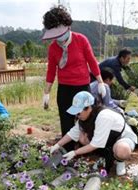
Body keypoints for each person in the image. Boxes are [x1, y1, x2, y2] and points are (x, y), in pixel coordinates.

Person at [41, 5, 105, 150]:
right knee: (66, 120)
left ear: (67, 26)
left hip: (82, 87)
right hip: (64, 88)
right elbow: (51, 71)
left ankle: (91, 148)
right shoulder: (53, 47)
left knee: (87, 119)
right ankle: (68, 150)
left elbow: (92, 61)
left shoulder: (81, 40)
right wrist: (46, 93)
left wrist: (100, 82)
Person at [49, 91, 138, 176]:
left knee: (122, 150)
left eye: (78, 112)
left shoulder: (104, 116)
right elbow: (72, 133)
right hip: (108, 140)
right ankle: (105, 155)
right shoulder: (84, 117)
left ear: (88, 108)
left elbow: (95, 144)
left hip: (122, 138)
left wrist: (75, 153)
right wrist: (57, 145)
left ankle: (120, 161)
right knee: (82, 137)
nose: (77, 115)